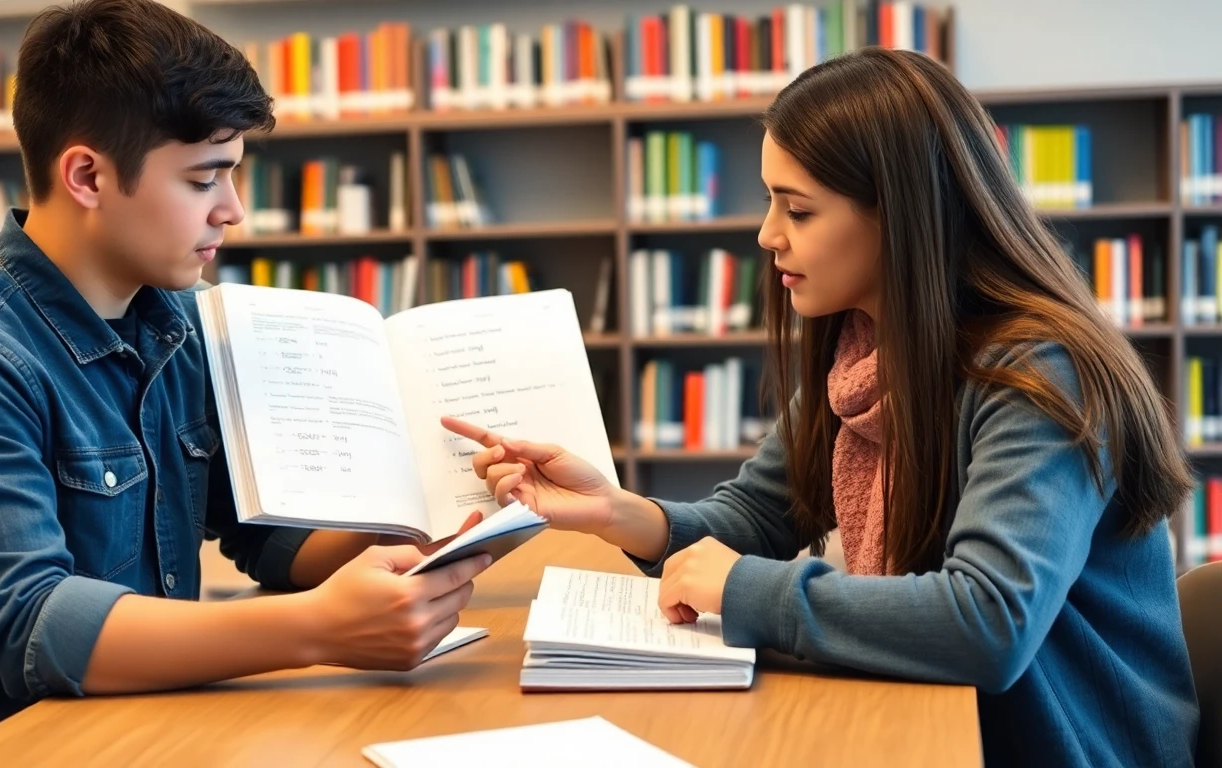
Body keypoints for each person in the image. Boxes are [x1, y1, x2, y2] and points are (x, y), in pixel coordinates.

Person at [443, 47, 1199, 767]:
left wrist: (745, 589)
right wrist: (616, 512)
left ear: (902, 218)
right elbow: (761, 515)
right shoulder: (865, 351)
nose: (769, 235)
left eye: (798, 210)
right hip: (944, 718)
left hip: (1061, 744)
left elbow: (989, 622)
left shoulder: (1040, 375)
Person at [0, 1, 486, 765]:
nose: (233, 211)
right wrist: (318, 628)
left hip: (139, 727)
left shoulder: (183, 324)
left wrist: (441, 516)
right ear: (88, 175)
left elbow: (273, 538)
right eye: (206, 179)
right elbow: (32, 624)